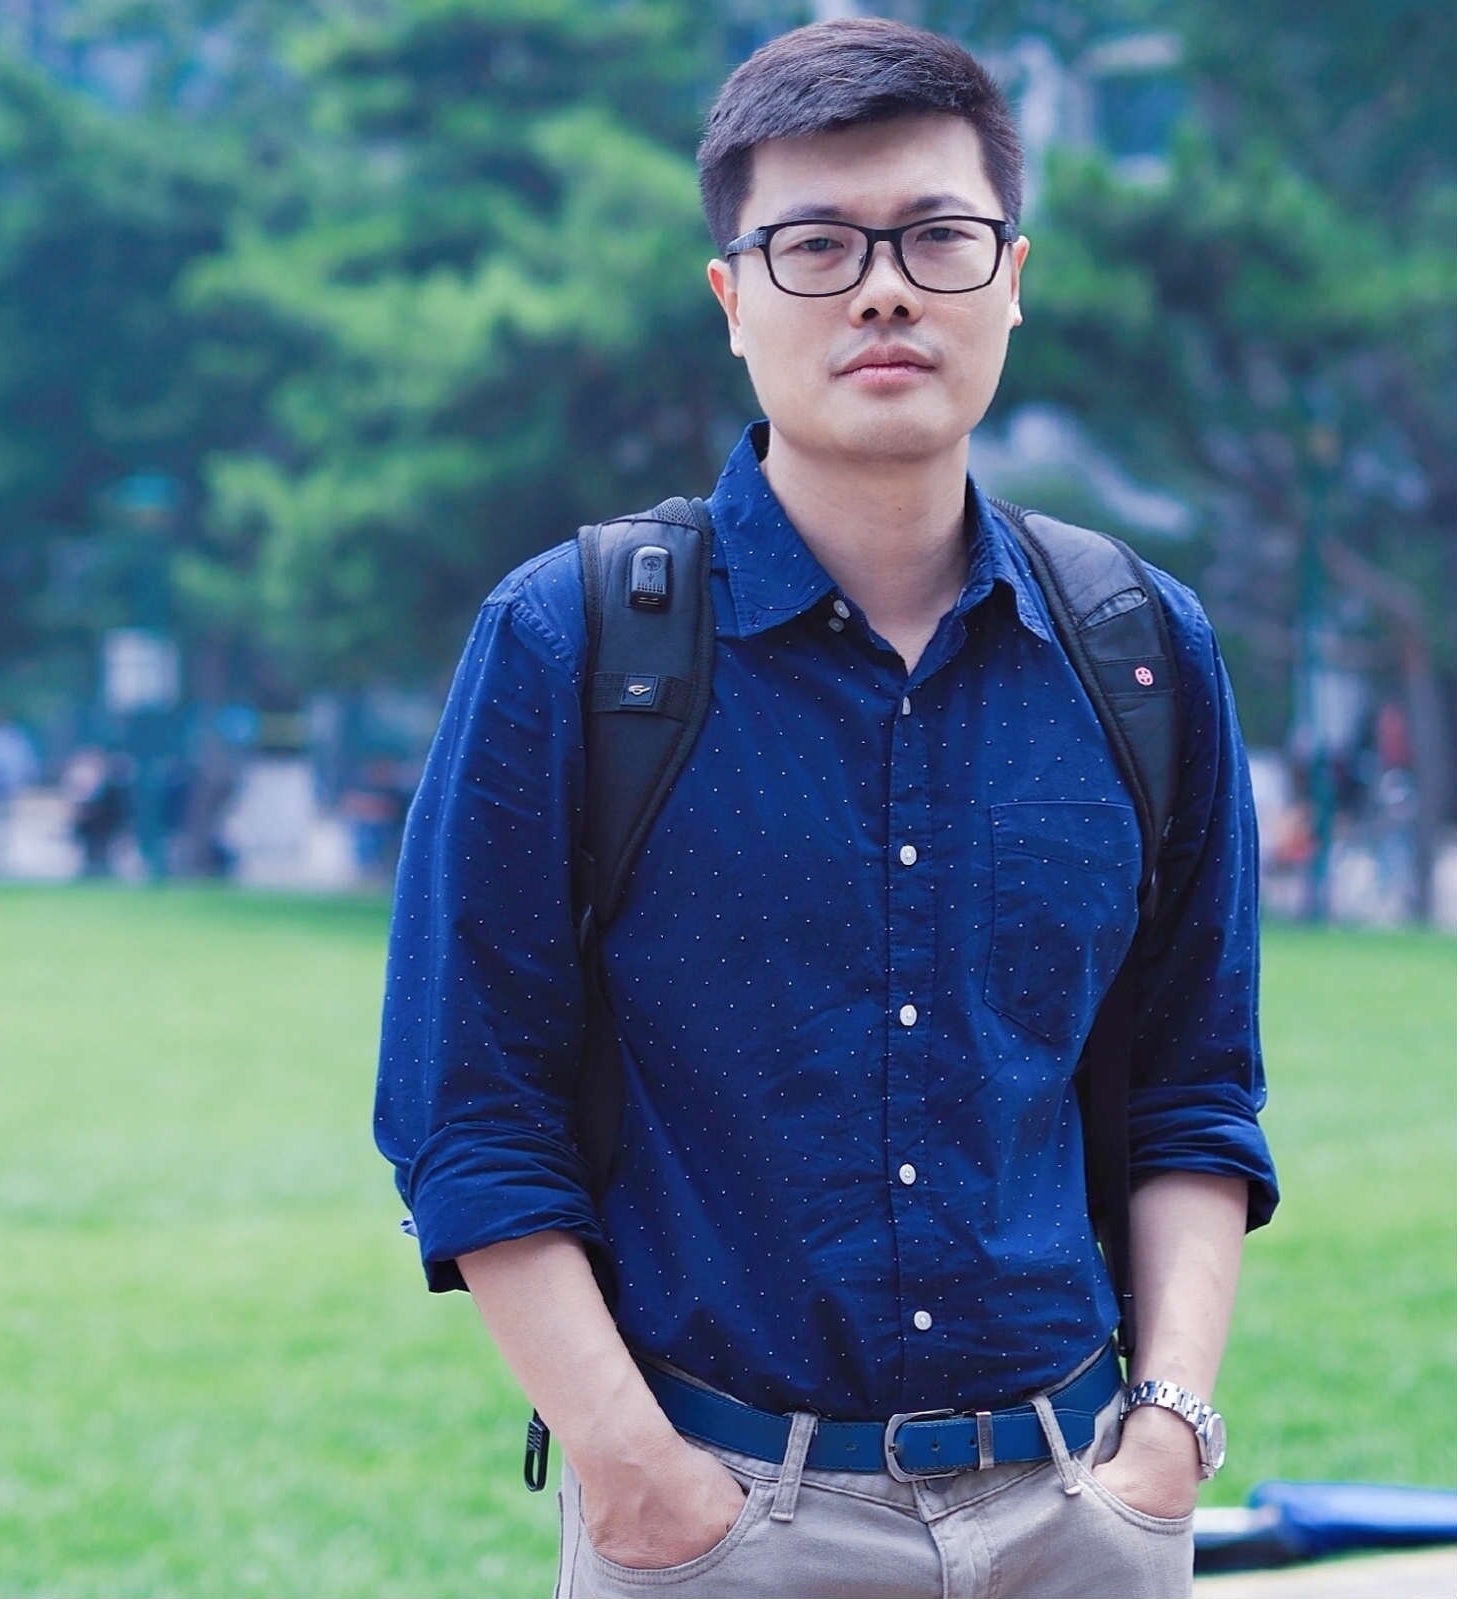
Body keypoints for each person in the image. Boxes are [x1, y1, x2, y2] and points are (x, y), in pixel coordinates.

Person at [374, 19, 1277, 1599]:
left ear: (1012, 277)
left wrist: (1165, 1439)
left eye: (938, 237)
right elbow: (470, 1113)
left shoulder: (1140, 647)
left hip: (1080, 1508)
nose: (884, 290)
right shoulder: (571, 640)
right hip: (720, 1519)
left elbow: (1196, 1089)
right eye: (815, 246)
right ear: (732, 298)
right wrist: (636, 1472)